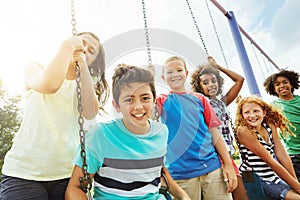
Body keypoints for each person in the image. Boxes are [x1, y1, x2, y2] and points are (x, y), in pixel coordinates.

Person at [0, 32, 109, 200]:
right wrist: (68, 46)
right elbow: (49, 84)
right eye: (82, 43)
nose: (85, 50)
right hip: (23, 174)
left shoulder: (85, 84)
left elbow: (90, 112)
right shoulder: (36, 67)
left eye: (91, 51)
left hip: (65, 175)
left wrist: (84, 70)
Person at [65, 64, 191, 200]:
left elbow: (159, 172)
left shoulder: (161, 132)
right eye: (129, 100)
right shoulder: (100, 135)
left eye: (145, 98)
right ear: (116, 105)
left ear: (154, 100)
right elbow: (74, 188)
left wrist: (183, 196)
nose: (138, 106)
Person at [156, 56, 237, 200]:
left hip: (212, 168)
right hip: (180, 173)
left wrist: (228, 165)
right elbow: (148, 117)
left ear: (186, 74)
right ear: (163, 77)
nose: (175, 74)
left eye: (179, 70)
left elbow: (215, 133)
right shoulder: (161, 100)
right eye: (169, 72)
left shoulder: (200, 99)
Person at [190, 56, 248, 200]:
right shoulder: (199, 102)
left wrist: (218, 67)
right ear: (199, 86)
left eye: (213, 80)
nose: (211, 85)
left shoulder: (222, 102)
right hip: (213, 156)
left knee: (241, 195)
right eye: (205, 82)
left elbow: (240, 80)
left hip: (227, 154)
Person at [235, 95, 300, 200]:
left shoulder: (269, 126)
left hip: (272, 177)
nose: (252, 115)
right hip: (256, 179)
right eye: (247, 112)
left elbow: (282, 154)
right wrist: (297, 187)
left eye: (256, 111)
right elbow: (270, 161)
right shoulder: (243, 132)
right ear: (242, 115)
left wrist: (295, 182)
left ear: (264, 112)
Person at [263, 69, 300, 182]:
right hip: (292, 152)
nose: (282, 86)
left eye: (285, 82)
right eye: (277, 84)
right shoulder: (272, 107)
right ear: (273, 89)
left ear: (291, 84)